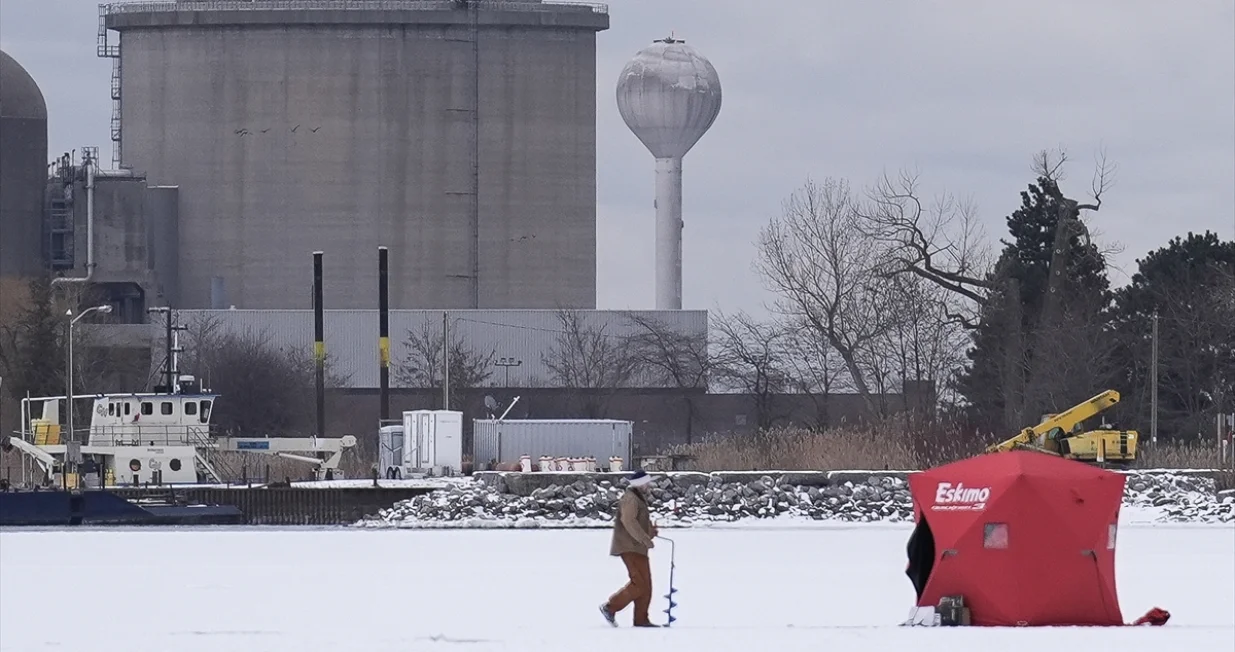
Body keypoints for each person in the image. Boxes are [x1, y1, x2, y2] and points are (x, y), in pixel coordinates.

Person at [599, 469, 660, 627]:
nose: (649, 486)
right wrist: (644, 538)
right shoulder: (630, 499)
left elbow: (637, 523)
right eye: (647, 483)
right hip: (630, 547)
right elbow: (629, 521)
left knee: (645, 586)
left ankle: (641, 620)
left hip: (639, 548)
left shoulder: (638, 498)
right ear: (640, 484)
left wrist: (650, 532)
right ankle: (610, 607)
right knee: (639, 583)